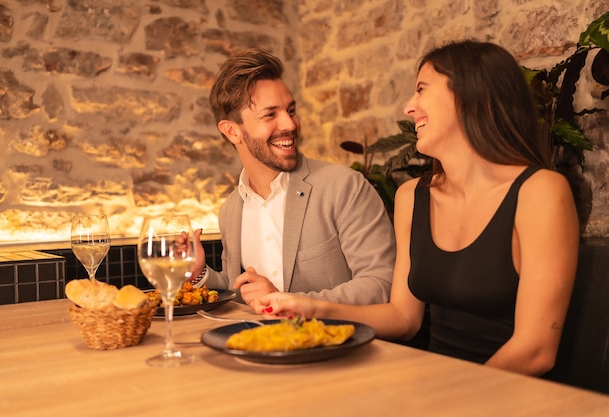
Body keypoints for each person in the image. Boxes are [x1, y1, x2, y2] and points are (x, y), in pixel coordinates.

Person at [251, 40, 580, 377]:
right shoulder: (413, 196)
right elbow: (404, 319)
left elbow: (536, 350)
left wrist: (448, 402)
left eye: (421, 89)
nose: (409, 108)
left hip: (514, 396)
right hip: (433, 384)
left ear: (470, 95)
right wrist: (311, 308)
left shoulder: (540, 192)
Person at [186, 48, 396, 306]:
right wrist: (199, 275)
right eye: (270, 114)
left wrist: (286, 301)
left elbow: (382, 285)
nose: (290, 124)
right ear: (232, 131)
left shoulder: (344, 187)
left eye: (291, 110)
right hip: (259, 344)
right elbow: (241, 294)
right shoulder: (230, 210)